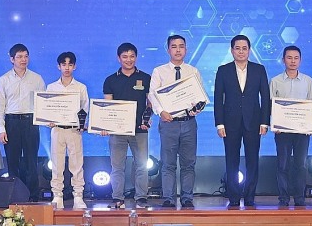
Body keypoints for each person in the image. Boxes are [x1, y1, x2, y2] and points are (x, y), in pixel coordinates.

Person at [148, 35, 204, 208]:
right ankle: (169, 198)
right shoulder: (159, 71)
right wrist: (161, 112)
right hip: (168, 122)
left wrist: (198, 107)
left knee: (188, 163)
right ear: (168, 50)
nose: (178, 50)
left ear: (186, 49)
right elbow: (152, 94)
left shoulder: (193, 71)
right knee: (168, 163)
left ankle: (187, 197)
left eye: (181, 46)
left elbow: (199, 97)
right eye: (174, 46)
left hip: (188, 122)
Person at [214, 34, 271, 207]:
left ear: (249, 50)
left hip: (253, 122)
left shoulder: (259, 69)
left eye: (244, 48)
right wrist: (219, 123)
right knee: (231, 160)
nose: (241, 51)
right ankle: (233, 197)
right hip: (230, 123)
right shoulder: (223, 70)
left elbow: (265, 96)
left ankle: (250, 196)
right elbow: (218, 98)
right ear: (231, 51)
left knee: (252, 160)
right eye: (237, 48)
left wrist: (264, 121)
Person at [102, 43, 151, 209]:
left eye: (131, 56)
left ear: (136, 57)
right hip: (117, 131)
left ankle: (141, 198)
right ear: (118, 58)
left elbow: (150, 103)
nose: (128, 60)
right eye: (125, 56)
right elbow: (107, 107)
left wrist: (146, 120)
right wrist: (105, 125)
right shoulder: (110, 80)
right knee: (117, 166)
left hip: (140, 130)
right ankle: (117, 198)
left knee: (142, 165)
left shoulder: (146, 78)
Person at [0, 43, 45, 202]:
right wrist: (1, 129)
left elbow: (43, 103)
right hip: (12, 122)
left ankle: (33, 196)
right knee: (13, 161)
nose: (24, 60)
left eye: (26, 56)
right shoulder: (4, 79)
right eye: (19, 57)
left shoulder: (37, 78)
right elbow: (0, 107)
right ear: (11, 59)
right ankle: (14, 195)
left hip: (30, 122)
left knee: (31, 161)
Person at [270, 45, 312, 207]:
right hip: (282, 131)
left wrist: (311, 126)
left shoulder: (308, 81)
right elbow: (271, 106)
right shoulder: (275, 81)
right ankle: (283, 198)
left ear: (300, 60)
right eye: (289, 58)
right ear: (283, 60)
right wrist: (274, 123)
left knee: (300, 164)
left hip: (302, 131)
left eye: (296, 58)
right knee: (282, 164)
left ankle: (299, 198)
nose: (293, 61)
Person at [46, 52, 89, 209]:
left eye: (70, 64)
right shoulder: (51, 87)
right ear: (58, 66)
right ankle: (57, 195)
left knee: (76, 164)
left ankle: (78, 195)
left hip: (74, 130)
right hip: (57, 130)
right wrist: (48, 120)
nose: (67, 68)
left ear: (75, 66)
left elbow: (85, 108)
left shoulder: (80, 87)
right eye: (64, 64)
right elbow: (47, 108)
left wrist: (82, 123)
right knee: (57, 164)